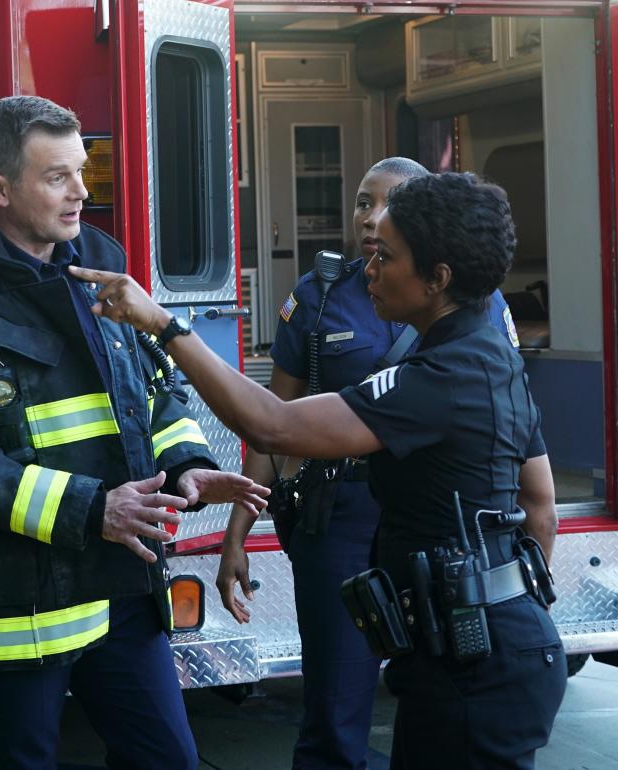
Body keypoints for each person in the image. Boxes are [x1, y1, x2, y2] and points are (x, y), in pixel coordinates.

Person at [71, 171, 566, 770]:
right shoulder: (488, 355)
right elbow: (539, 501)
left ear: (437, 280)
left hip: (477, 664)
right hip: (482, 647)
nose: (372, 267)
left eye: (389, 257)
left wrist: (164, 326)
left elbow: (272, 425)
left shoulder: (443, 378)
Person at [0, 95, 268, 770]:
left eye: (82, 170)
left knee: (168, 760)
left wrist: (184, 463)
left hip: (119, 588)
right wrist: (94, 508)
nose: (82, 192)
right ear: (0, 189)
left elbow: (152, 390)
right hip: (15, 608)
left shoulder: (100, 262)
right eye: (58, 176)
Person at [216, 157, 521, 770]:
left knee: (438, 702)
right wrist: (236, 535)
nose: (370, 218)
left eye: (389, 206)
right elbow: (277, 426)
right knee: (335, 706)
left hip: (435, 530)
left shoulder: (475, 304)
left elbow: (512, 434)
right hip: (343, 519)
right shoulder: (320, 295)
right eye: (362, 202)